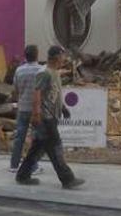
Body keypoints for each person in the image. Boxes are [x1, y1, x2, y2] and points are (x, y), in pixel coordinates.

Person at [15, 45, 85, 189]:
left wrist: (63, 108)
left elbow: (55, 93)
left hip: (51, 115)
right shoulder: (44, 72)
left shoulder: (55, 73)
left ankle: (22, 175)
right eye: (63, 56)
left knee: (38, 148)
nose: (64, 59)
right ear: (57, 57)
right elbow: (37, 93)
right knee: (55, 147)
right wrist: (36, 114)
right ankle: (67, 179)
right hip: (45, 118)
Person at [9, 45, 44, 174]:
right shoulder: (41, 70)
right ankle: (32, 166)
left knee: (19, 137)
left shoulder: (19, 70)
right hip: (36, 109)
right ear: (37, 55)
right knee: (35, 139)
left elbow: (16, 90)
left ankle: (14, 165)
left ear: (25, 55)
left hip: (23, 108)